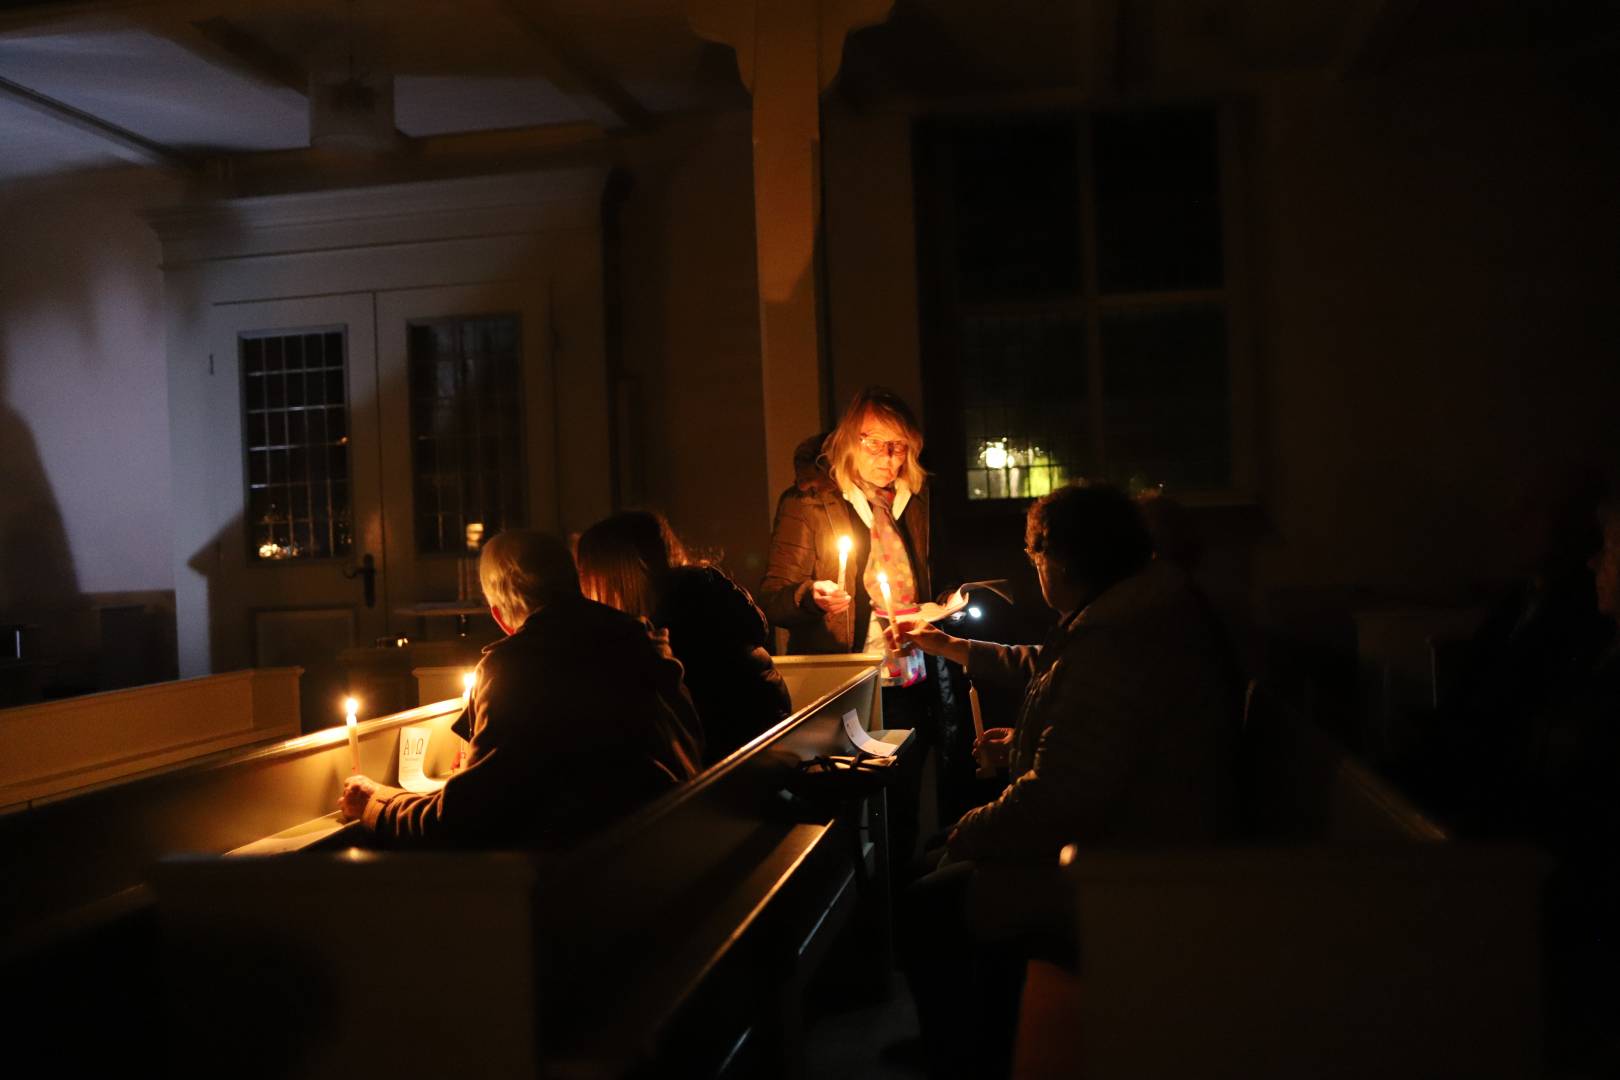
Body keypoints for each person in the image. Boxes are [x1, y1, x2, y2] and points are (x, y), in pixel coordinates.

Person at [891, 481, 1241, 1079]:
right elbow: (1054, 679)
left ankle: (964, 1058)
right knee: (936, 857)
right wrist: (952, 648)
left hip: (1125, 866)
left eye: (1035, 557)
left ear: (1058, 555)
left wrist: (970, 829)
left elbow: (1060, 797)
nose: (1034, 571)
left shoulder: (1119, 638)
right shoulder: (1123, 613)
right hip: (1123, 835)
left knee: (926, 896)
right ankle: (978, 1037)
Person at [338, 529, 703, 851]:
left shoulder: (520, 665)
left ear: (499, 617)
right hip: (672, 845)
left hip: (600, 875)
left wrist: (375, 805)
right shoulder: (642, 637)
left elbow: (459, 823)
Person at [759, 387, 938, 864]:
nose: (888, 457)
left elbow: (920, 583)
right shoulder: (809, 503)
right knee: (849, 824)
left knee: (902, 814)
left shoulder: (912, 501)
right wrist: (810, 597)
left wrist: (936, 609)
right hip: (845, 686)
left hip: (908, 681)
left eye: (898, 445)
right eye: (873, 442)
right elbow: (774, 600)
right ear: (847, 442)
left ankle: (901, 917)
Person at [576, 509, 791, 764]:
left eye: (587, 580)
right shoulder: (712, 610)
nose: (585, 595)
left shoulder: (676, 647)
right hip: (767, 773)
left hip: (730, 790)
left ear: (616, 580)